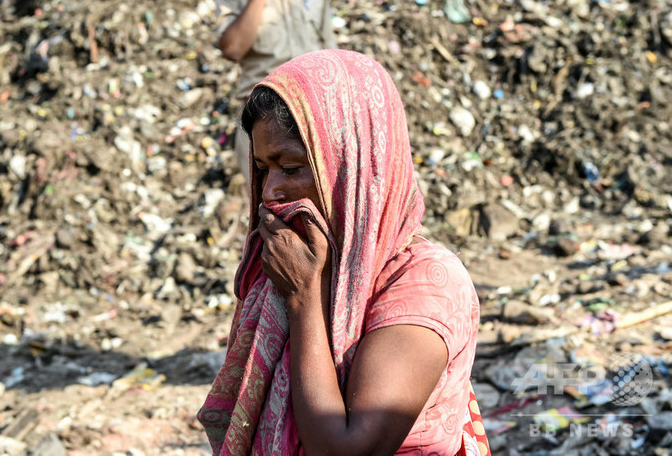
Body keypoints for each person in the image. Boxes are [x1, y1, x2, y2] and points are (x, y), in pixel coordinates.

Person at [197, 50, 491, 455]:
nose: (270, 192)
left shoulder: (424, 285)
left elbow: (348, 451)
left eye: (292, 166)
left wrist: (303, 297)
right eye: (264, 168)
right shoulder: (303, 260)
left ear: (353, 167)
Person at [213, 0, 336, 185]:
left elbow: (330, 52)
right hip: (263, 118)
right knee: (269, 210)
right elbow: (232, 49)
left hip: (314, 113)